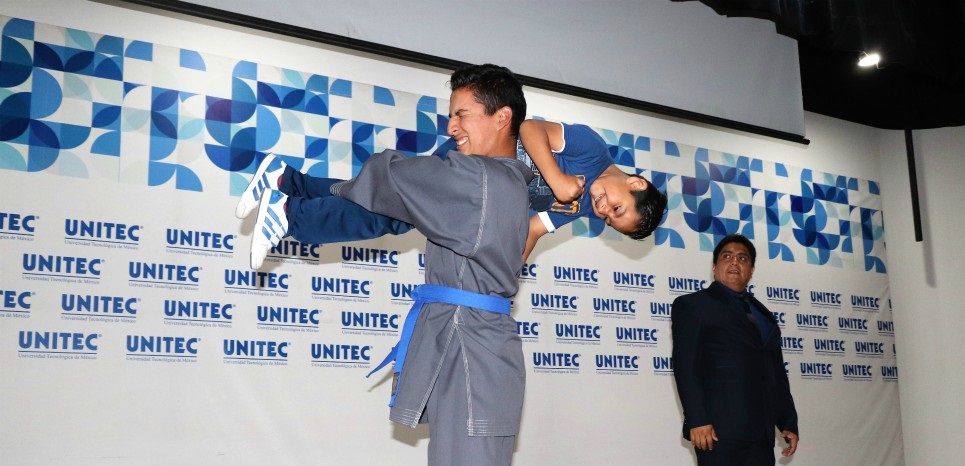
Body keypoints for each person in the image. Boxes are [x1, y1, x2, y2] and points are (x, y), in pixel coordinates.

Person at [256, 63, 607, 466]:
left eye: (462, 114)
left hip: (472, 357)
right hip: (475, 352)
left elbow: (393, 176)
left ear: (503, 118)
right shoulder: (501, 182)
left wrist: (294, 199)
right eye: (451, 116)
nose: (452, 128)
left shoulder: (481, 180)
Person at [236, 119, 666, 269]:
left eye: (611, 219)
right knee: (393, 213)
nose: (604, 211)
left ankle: (285, 183)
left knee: (384, 195)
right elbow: (530, 128)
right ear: (635, 183)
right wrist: (555, 177)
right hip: (474, 159)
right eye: (617, 207)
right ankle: (289, 215)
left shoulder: (580, 205)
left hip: (471, 190)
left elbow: (532, 230)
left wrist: (507, 270)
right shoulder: (591, 150)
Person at [670, 233, 802, 466]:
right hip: (716, 430)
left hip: (758, 431)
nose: (734, 263)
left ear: (751, 270)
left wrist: (787, 420)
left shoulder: (763, 314)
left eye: (742, 258)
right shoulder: (693, 306)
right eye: (726, 256)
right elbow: (686, 366)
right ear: (714, 266)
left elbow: (775, 373)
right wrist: (697, 419)